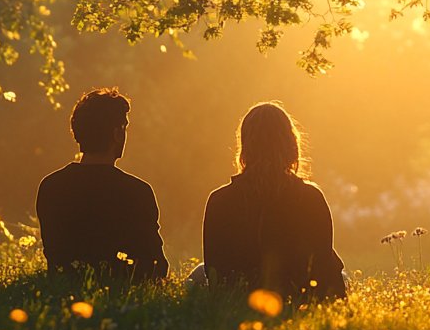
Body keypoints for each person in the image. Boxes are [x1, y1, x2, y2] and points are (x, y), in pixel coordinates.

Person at [197, 101, 346, 300]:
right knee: (344, 275)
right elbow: (322, 261)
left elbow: (214, 269)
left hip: (240, 296)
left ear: (245, 147)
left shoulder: (220, 200)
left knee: (197, 274)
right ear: (291, 145)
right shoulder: (311, 198)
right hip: (299, 295)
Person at [36, 87, 168, 281]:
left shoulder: (51, 187)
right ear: (116, 133)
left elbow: (55, 254)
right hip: (124, 296)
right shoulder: (137, 192)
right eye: (124, 128)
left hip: (64, 292)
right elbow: (155, 264)